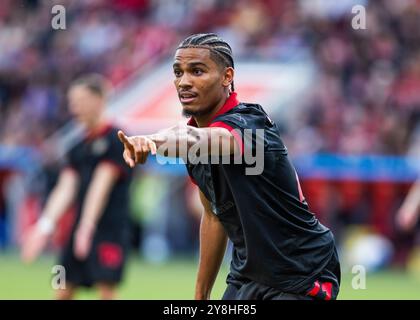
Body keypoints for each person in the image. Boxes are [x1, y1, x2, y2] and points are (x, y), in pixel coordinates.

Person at [117, 33, 341, 300]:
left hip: (300, 272)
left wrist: (152, 141)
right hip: (247, 274)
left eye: (197, 71)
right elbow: (214, 216)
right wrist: (201, 295)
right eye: (178, 72)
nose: (184, 82)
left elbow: (206, 140)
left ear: (227, 77)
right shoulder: (195, 146)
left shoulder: (252, 124)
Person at [21, 74, 133, 300]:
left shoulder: (115, 139)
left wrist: (87, 226)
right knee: (61, 285)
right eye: (72, 102)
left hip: (108, 230)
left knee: (106, 291)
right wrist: (44, 227)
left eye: (80, 101)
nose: (75, 108)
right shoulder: (78, 146)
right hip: (78, 229)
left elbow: (100, 186)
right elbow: (66, 187)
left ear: (100, 99)